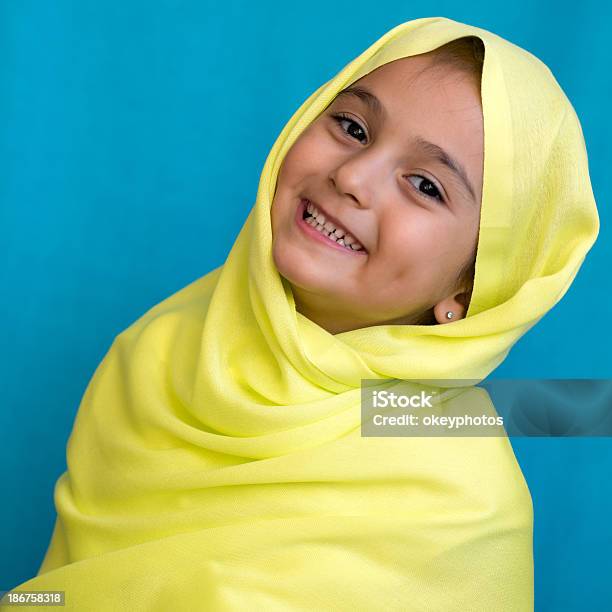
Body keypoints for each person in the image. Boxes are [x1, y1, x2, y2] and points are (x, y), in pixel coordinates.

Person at [3, 16, 598, 612]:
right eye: (352, 126)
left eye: (424, 185)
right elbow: (59, 592)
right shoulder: (161, 349)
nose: (352, 177)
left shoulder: (459, 506)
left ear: (469, 292)